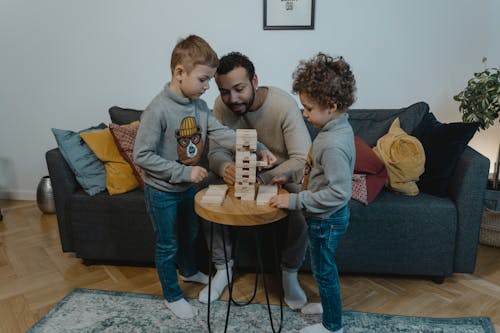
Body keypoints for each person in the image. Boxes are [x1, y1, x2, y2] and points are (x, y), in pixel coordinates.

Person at [133, 36, 276, 319]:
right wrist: (184, 171)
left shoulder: (198, 106)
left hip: (187, 189)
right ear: (179, 73)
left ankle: (188, 270)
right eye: (203, 79)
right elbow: (142, 156)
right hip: (162, 191)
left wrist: (256, 146)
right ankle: (172, 296)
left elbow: (220, 133)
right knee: (167, 243)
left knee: (191, 234)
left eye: (209, 80)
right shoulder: (157, 109)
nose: (208, 86)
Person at [198, 52, 312, 310]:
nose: (232, 99)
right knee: (205, 191)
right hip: (240, 177)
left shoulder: (283, 106)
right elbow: (215, 152)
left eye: (239, 89)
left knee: (305, 204)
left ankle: (289, 272)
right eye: (225, 91)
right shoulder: (220, 106)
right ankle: (222, 267)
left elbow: (301, 159)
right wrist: (226, 167)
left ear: (255, 81)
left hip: (282, 175)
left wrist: (265, 177)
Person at [269, 53, 356, 333]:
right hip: (324, 218)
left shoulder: (333, 144)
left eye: (308, 108)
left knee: (324, 272)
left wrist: (294, 200)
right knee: (322, 269)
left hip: (326, 220)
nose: (304, 114)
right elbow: (314, 170)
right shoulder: (334, 128)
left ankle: (332, 326)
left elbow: (338, 193)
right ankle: (327, 307)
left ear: (331, 106)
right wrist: (291, 176)